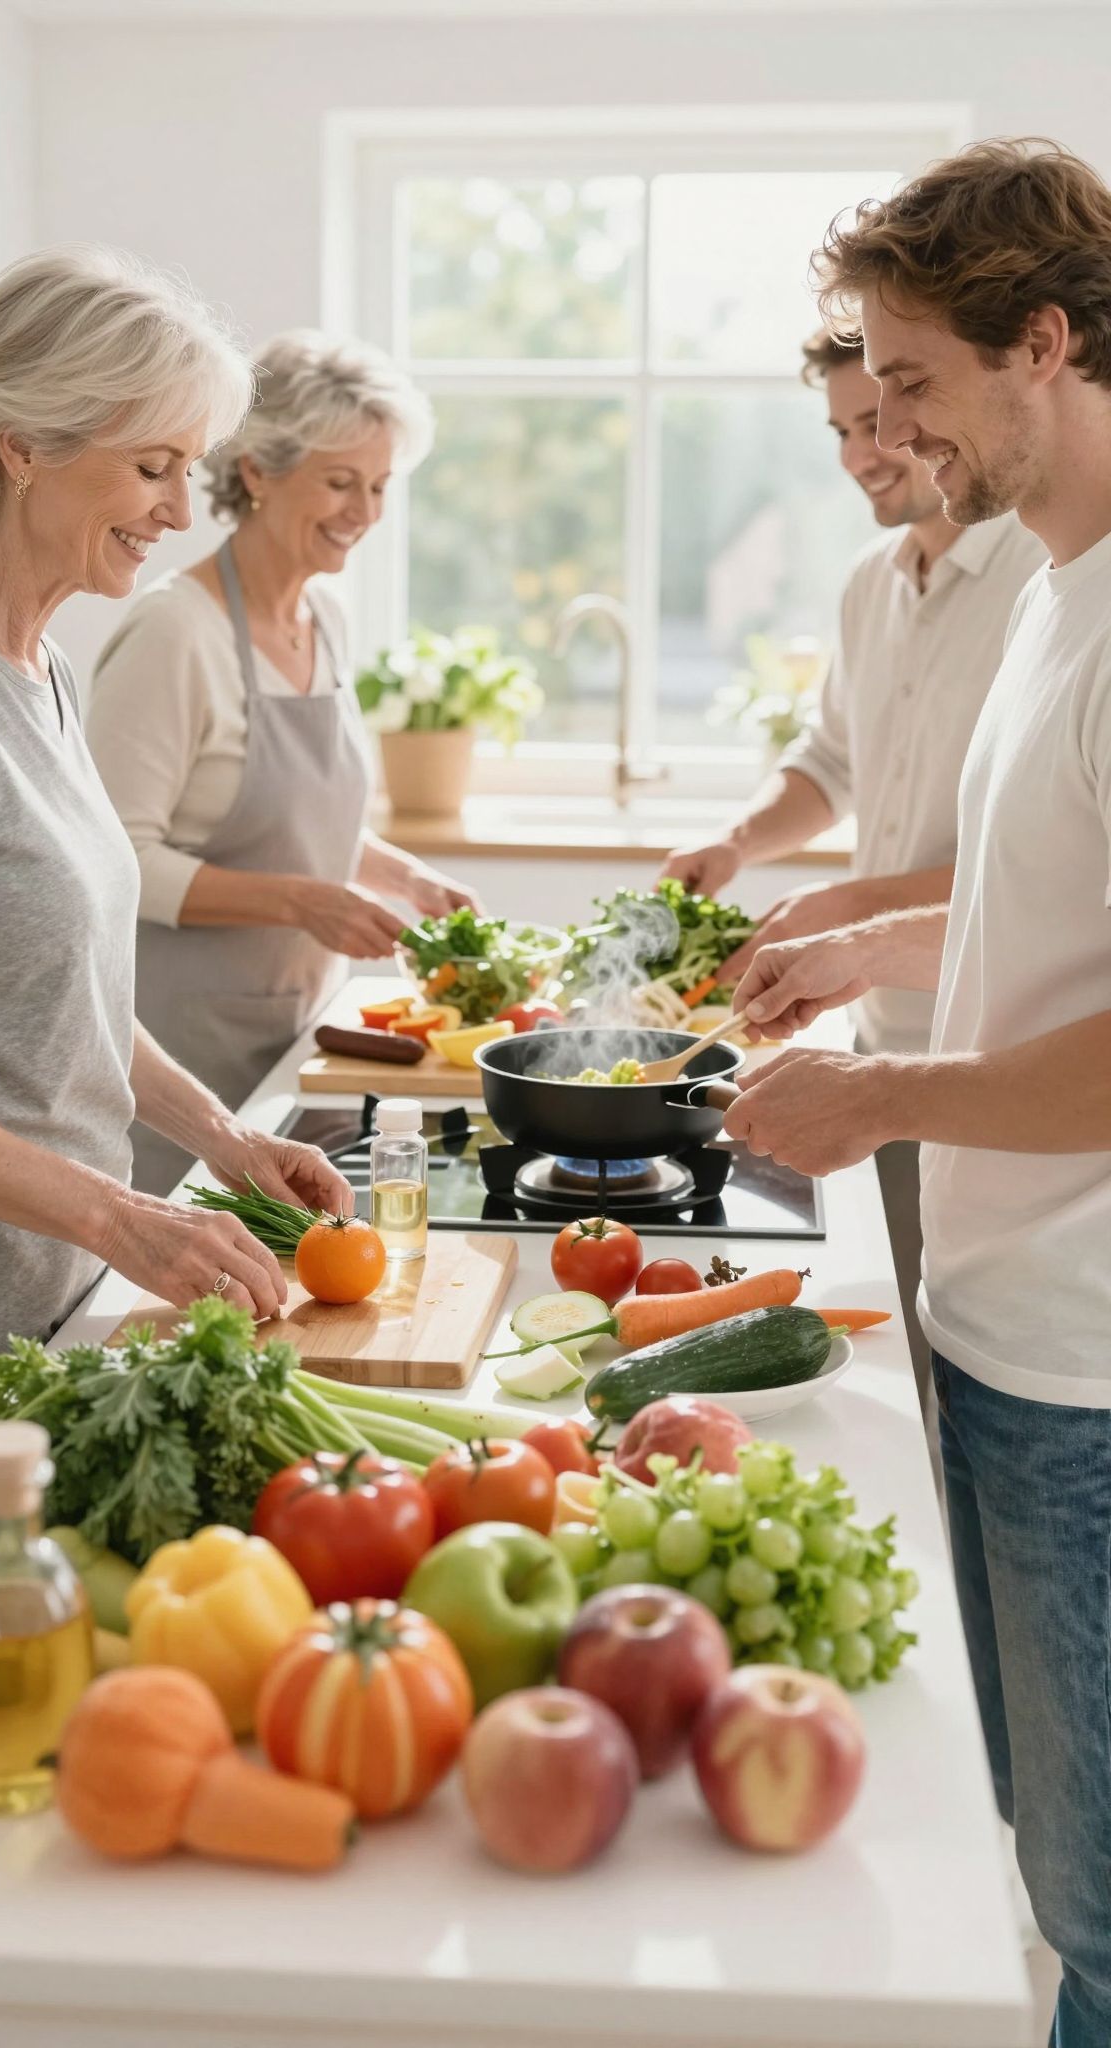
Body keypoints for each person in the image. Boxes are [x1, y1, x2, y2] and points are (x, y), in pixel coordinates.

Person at [723, 139, 1111, 2048]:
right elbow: (1055, 901)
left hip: (1090, 1371)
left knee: (1099, 1918)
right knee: (1023, 1852)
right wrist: (884, 956)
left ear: (1042, 342)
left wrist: (880, 1102)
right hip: (997, 1316)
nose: (896, 426)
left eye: (921, 382)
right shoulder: (1058, 587)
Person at [0, 247, 352, 1380]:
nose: (183, 510)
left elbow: (60, 996)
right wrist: (123, 1215)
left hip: (54, 1310)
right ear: (23, 446)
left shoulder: (49, 675)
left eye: (190, 468)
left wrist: (224, 1141)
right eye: (151, 467)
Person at [661, 330, 1043, 1417]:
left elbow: (1037, 854)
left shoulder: (1040, 575)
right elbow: (831, 760)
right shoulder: (872, 584)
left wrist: (854, 909)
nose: (863, 451)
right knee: (912, 1366)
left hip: (994, 1043)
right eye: (840, 428)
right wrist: (738, 842)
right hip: (884, 1027)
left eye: (882, 415)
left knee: (967, 1377)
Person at [88, 331, 478, 1194]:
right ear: (258, 472)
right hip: (178, 1057)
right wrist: (303, 901)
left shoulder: (326, 617)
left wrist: (400, 877)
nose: (364, 511)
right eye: (340, 482)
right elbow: (116, 861)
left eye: (378, 486)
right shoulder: (174, 633)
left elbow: (303, 817)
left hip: (299, 1035)